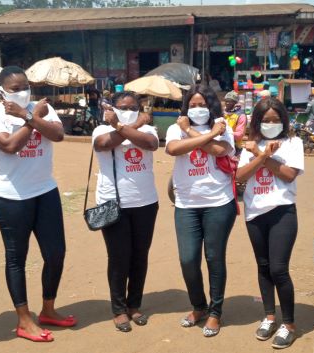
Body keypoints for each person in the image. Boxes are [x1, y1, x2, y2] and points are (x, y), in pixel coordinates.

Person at [0, 66, 74, 343]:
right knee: (16, 256)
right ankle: (24, 319)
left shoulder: (40, 108)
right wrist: (30, 119)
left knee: (56, 253)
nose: (22, 91)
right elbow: (9, 146)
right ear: (0, 91)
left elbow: (57, 135)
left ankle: (47, 309)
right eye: (15, 88)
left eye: (25, 86)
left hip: (44, 190)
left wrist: (27, 115)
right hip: (8, 195)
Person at [165, 84, 237, 338]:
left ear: (211, 106)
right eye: (193, 105)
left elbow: (219, 151)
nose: (197, 109)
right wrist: (193, 131)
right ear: (186, 108)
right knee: (188, 259)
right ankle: (199, 306)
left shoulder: (223, 127)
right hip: (186, 204)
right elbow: (174, 149)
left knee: (214, 258)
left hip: (219, 202)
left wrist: (191, 132)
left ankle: (215, 312)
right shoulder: (176, 128)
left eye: (202, 104)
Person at [236, 98, 304, 349]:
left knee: (278, 269)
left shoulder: (293, 143)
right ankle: (269, 317)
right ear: (258, 121)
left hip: (282, 211)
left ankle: (289, 324)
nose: (271, 124)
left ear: (284, 121)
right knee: (263, 267)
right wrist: (261, 153)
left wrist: (260, 155)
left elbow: (288, 175)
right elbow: (240, 176)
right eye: (266, 120)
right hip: (255, 213)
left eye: (276, 120)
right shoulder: (251, 145)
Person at [92, 91, 159, 332]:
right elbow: (104, 145)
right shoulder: (101, 130)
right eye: (123, 107)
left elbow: (150, 144)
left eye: (133, 107)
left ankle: (134, 305)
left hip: (145, 203)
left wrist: (124, 125)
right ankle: (119, 309)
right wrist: (129, 125)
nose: (128, 110)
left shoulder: (148, 131)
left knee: (140, 256)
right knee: (119, 258)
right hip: (113, 204)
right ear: (112, 108)